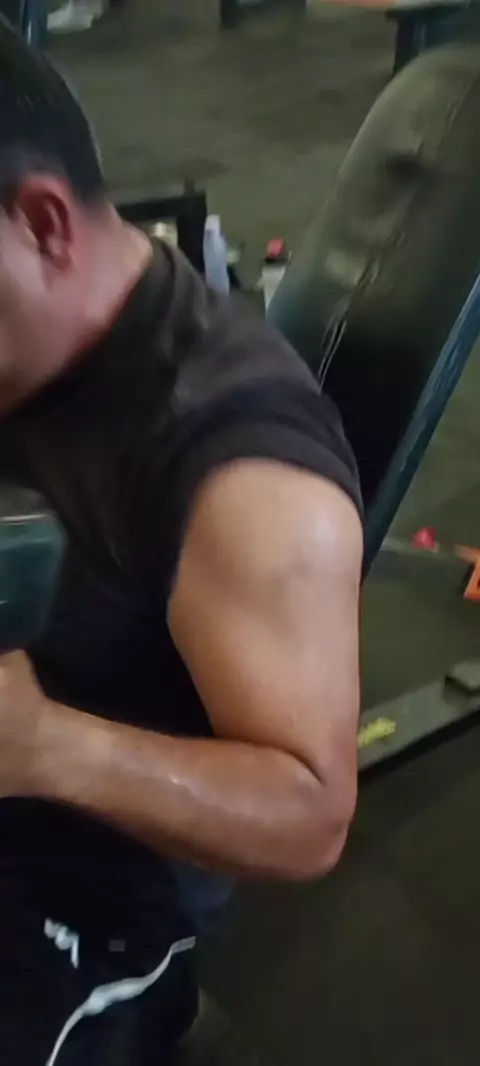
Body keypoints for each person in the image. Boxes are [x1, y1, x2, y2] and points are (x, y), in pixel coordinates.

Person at [0, 16, 363, 1066]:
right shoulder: (23, 335)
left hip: (89, 894)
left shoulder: (244, 475)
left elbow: (310, 814)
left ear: (44, 225)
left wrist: (45, 746)